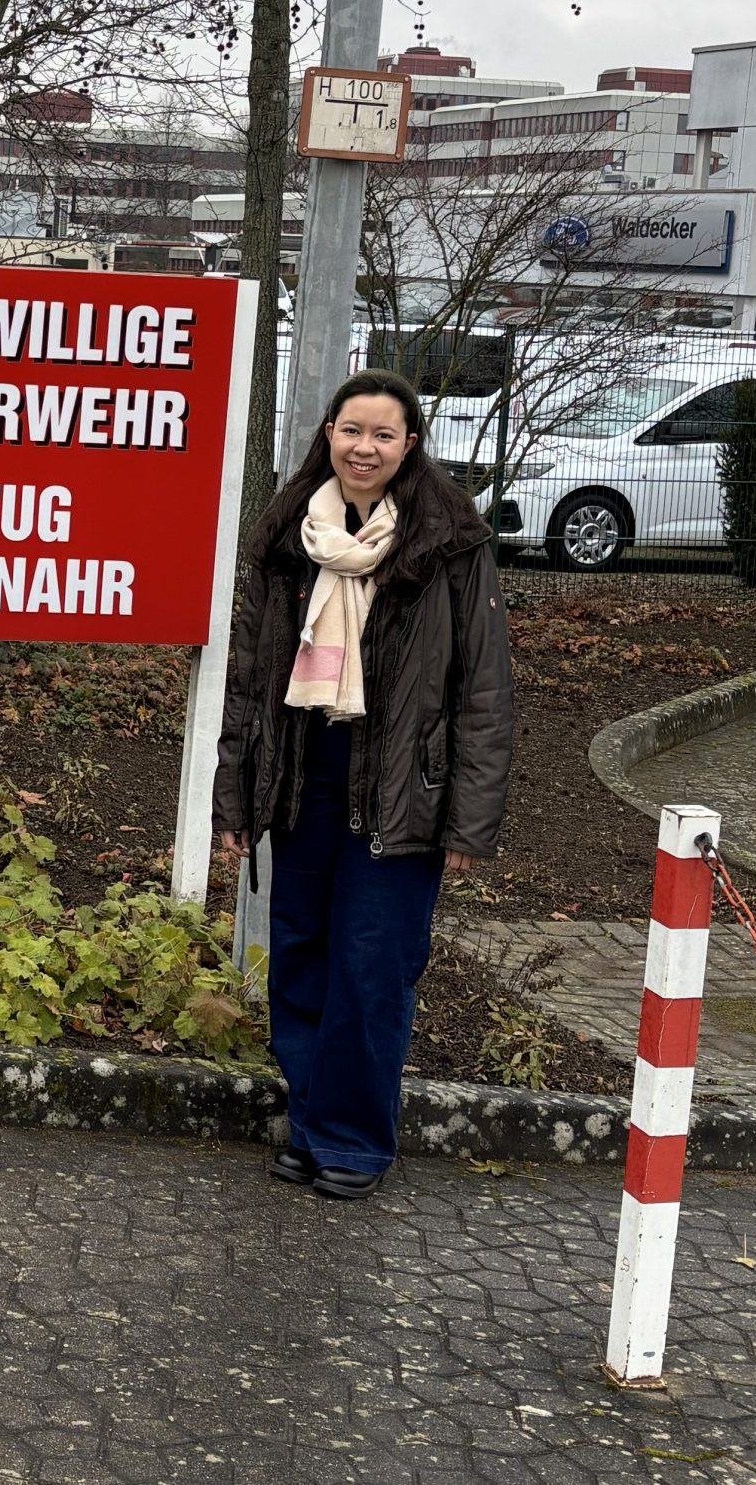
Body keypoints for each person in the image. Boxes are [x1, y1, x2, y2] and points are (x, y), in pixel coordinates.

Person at [214, 369, 513, 1201]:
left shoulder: (449, 543)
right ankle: (311, 1124)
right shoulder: (285, 538)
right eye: (352, 431)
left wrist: (467, 824)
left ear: (409, 445)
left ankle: (354, 1139)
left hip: (401, 791)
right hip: (302, 775)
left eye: (384, 435)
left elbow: (482, 691)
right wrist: (234, 798)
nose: (365, 448)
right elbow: (249, 678)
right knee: (301, 960)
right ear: (329, 435)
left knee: (372, 967)